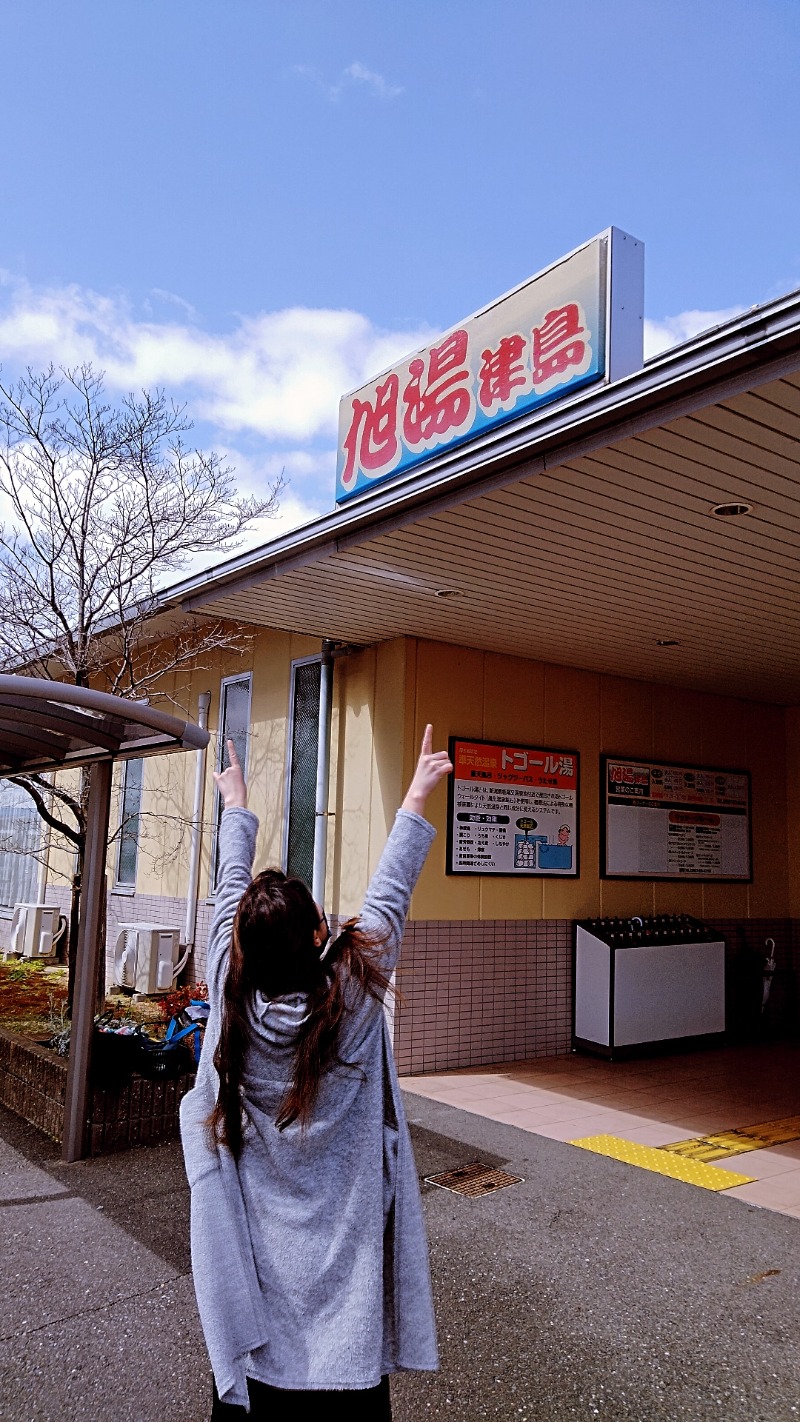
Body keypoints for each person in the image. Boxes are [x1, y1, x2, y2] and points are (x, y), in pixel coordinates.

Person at [179, 725, 453, 1419]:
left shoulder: (229, 1006)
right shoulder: (355, 998)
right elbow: (389, 898)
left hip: (264, 1317)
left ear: (240, 947)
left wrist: (236, 804)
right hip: (348, 1329)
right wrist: (417, 795)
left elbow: (225, 896)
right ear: (317, 936)